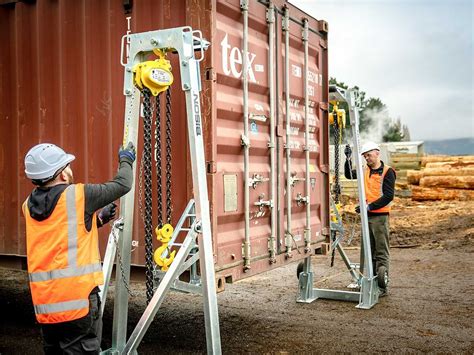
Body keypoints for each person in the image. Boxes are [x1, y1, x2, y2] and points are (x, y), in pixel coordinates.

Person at [22, 142, 136, 354]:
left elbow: (55, 238)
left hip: (46, 308)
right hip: (77, 305)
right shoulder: (79, 195)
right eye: (67, 165)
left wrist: (98, 219)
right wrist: (126, 159)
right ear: (63, 174)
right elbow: (123, 184)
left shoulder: (28, 205)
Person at [344, 141, 396, 296]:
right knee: (370, 251)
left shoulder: (388, 172)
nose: (367, 158)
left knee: (381, 252)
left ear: (377, 153)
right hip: (367, 217)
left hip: (380, 217)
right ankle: (372, 282)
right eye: (365, 156)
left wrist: (369, 207)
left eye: (369, 155)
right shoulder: (364, 170)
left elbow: (388, 196)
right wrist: (348, 159)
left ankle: (382, 286)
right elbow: (348, 175)